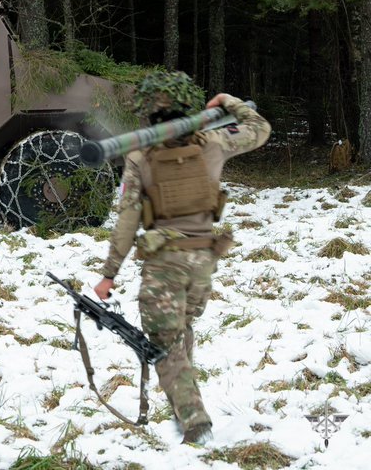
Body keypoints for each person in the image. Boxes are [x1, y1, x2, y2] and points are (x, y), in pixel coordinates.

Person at [92, 71, 270, 445]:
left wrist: (109, 273)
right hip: (203, 262)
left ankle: (194, 423)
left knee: (165, 345)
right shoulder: (216, 142)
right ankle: (186, 408)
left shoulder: (140, 155)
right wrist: (227, 101)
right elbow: (259, 127)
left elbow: (127, 218)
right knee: (180, 334)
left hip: (164, 265)